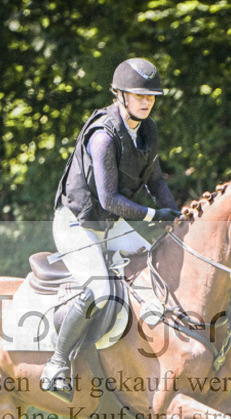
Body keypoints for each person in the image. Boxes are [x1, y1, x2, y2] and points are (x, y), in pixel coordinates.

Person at [42, 57, 181, 399]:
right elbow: (109, 200)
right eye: (139, 95)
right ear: (120, 95)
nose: (147, 101)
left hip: (108, 222)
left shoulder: (146, 131)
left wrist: (178, 216)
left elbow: (155, 179)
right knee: (100, 291)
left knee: (152, 266)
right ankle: (57, 363)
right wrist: (152, 215)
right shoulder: (103, 136)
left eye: (151, 96)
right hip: (77, 221)